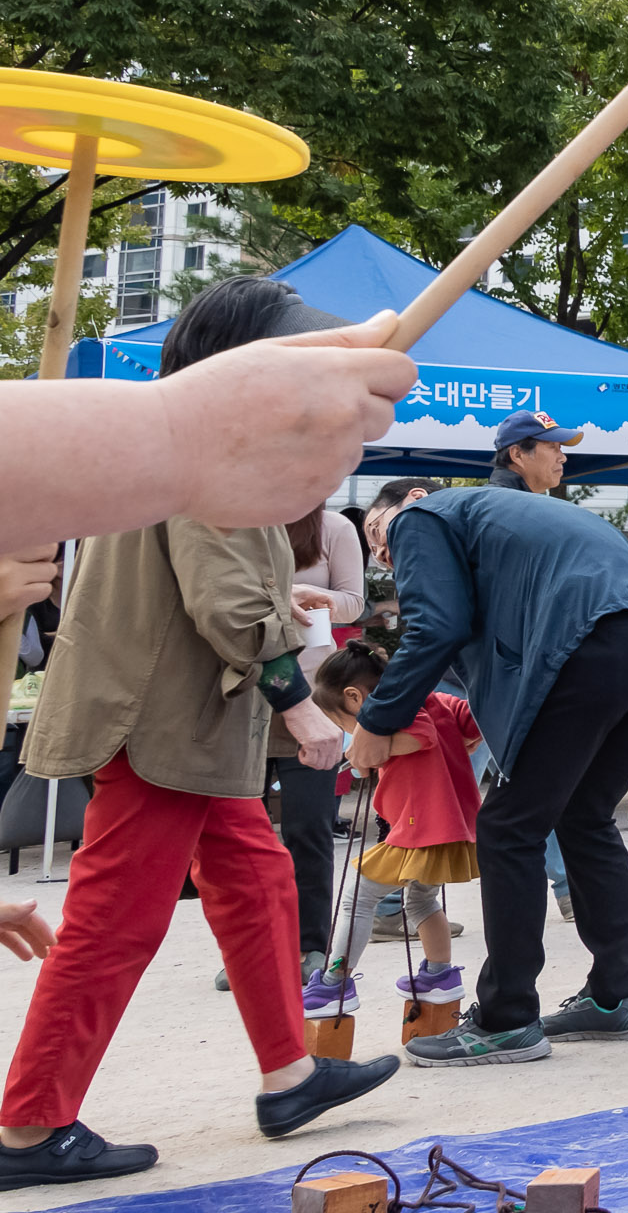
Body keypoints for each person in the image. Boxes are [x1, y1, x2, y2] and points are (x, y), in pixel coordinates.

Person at [0, 279, 400, 1188]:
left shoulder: (170, 439)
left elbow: (208, 584)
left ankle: (288, 1072)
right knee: (115, 921)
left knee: (257, 883)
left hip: (181, 719)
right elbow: (225, 600)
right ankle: (28, 1125)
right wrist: (299, 705)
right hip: (159, 720)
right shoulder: (216, 447)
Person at [354, 475, 628, 1066]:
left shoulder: (421, 518)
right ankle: (615, 999)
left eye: (375, 533)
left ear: (408, 501)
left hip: (593, 639)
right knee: (585, 818)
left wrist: (377, 720)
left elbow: (438, 626)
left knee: (509, 826)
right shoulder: (509, 517)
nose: (383, 554)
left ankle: (508, 1018)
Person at [0, 313, 415, 559]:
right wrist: (186, 433)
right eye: (283, 367)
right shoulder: (194, 498)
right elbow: (233, 612)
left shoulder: (196, 490)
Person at [305, 642, 477, 1015]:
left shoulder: (397, 707)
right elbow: (470, 723)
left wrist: (370, 749)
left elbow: (422, 735)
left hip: (419, 829)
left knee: (357, 897)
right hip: (449, 827)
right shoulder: (434, 699)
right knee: (420, 901)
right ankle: (439, 974)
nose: (351, 733)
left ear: (354, 698)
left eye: (344, 724)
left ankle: (334, 984)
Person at [270, 504, 365, 975]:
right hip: (241, 695)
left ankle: (311, 946)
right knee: (239, 838)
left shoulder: (334, 527)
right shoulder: (237, 517)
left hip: (308, 695)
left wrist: (310, 593)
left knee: (308, 828)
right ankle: (256, 949)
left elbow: (354, 601)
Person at [489, 407, 578, 495]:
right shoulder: (509, 506)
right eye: (552, 447)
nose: (563, 458)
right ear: (518, 455)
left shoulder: (497, 502)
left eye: (559, 448)